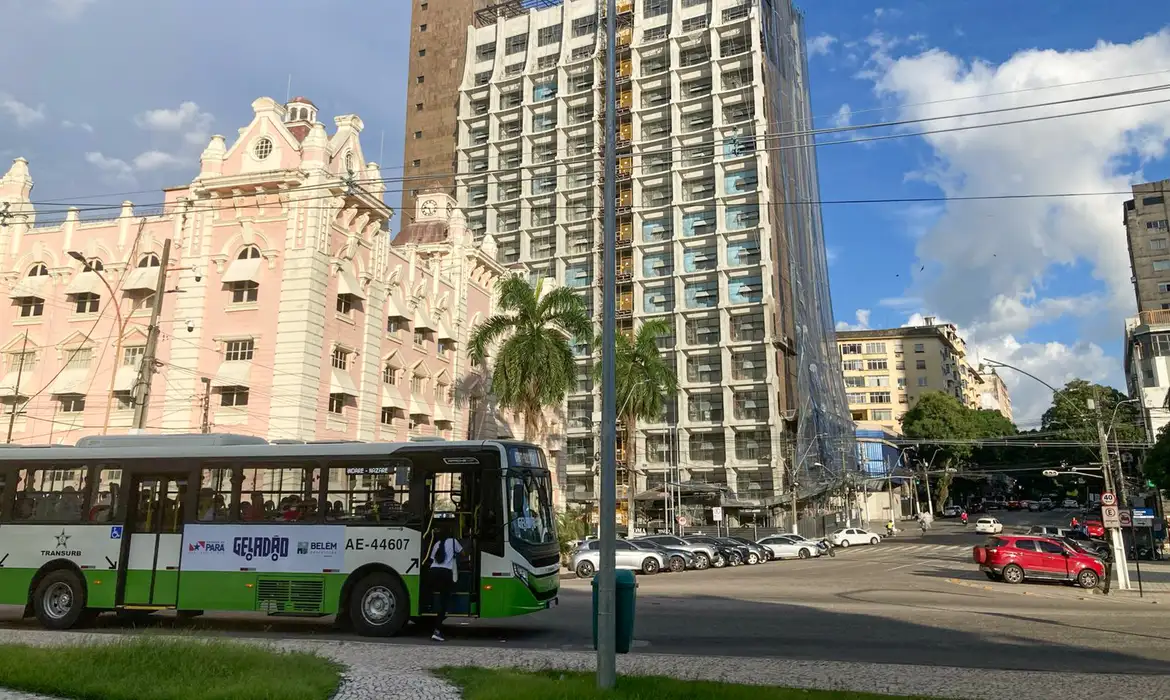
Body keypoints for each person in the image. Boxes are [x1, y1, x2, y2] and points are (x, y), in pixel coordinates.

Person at [425, 523, 463, 642]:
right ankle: (437, 630)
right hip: (445, 573)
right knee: (444, 602)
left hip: (433, 572)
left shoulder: (437, 543)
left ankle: (428, 608)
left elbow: (431, 559)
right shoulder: (453, 542)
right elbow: (463, 553)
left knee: (431, 595)